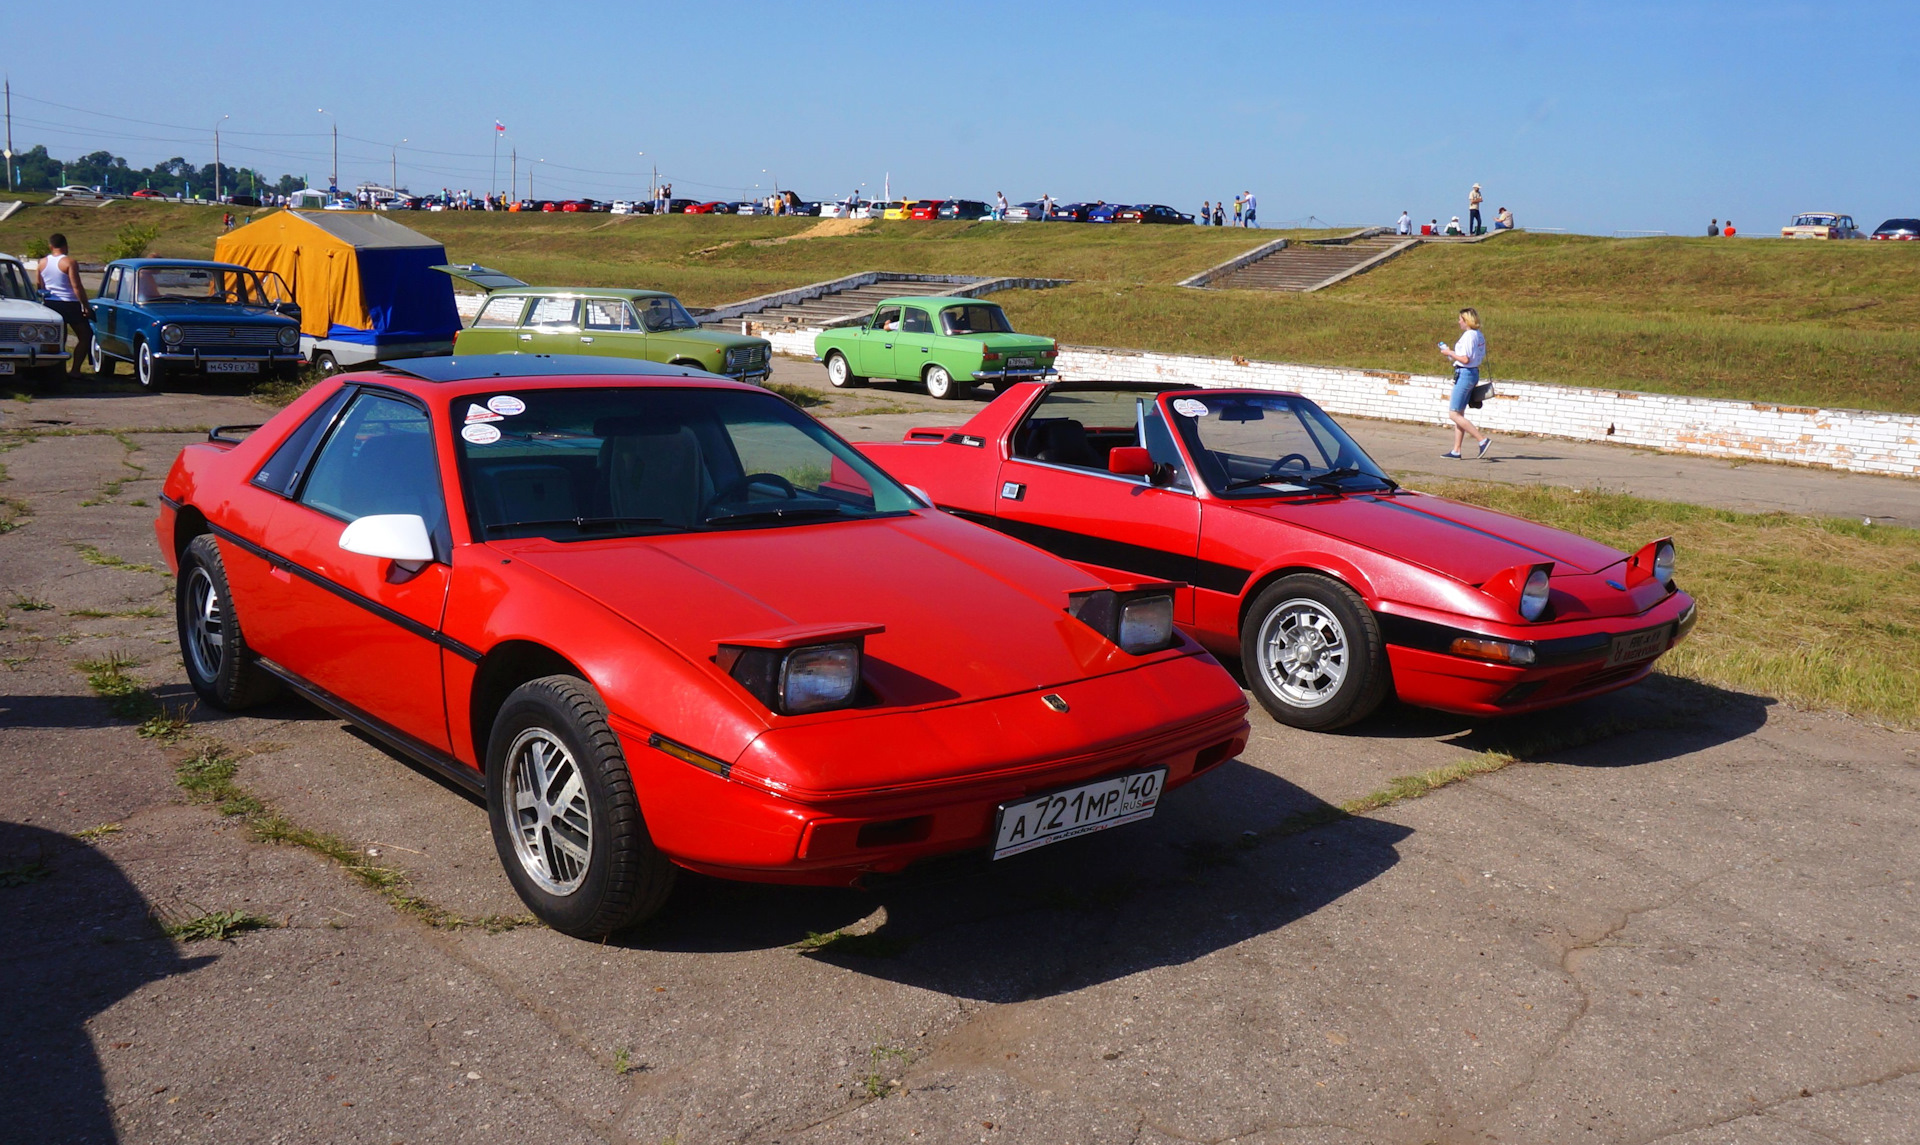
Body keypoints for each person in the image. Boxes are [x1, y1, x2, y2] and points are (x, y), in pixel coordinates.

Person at [35, 234, 92, 379]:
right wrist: (85, 305)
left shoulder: (42, 262)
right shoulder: (69, 262)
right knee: (85, 336)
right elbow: (76, 286)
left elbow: (39, 285)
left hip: (51, 303)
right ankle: (75, 370)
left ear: (50, 246)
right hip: (69, 303)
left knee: (58, 338)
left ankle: (57, 370)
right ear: (66, 246)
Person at [1437, 308, 1491, 459]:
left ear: (1466, 320)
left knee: (1453, 413)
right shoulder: (1479, 335)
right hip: (1472, 372)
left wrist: (1449, 353)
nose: (1458, 321)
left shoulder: (1468, 336)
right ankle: (1456, 450)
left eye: (1460, 319)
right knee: (1459, 413)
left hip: (1465, 373)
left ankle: (1482, 440)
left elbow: (1465, 359)